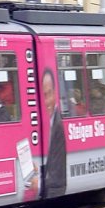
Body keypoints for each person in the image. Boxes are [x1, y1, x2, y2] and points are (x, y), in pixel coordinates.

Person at [42, 68, 67, 198]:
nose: (46, 102)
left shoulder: (58, 125)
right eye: (43, 95)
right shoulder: (47, 123)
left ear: (55, 93)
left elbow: (58, 179)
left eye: (49, 94)